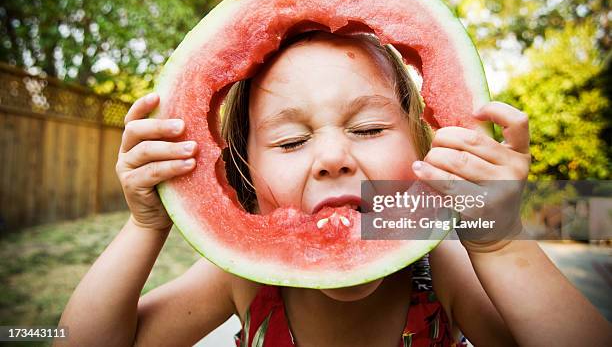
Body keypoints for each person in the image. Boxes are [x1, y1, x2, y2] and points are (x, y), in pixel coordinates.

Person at [58, 31, 610, 346]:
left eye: (368, 130)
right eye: (291, 141)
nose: (331, 159)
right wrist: (146, 225)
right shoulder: (242, 278)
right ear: (241, 174)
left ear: (423, 147)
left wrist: (501, 243)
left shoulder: (441, 271)